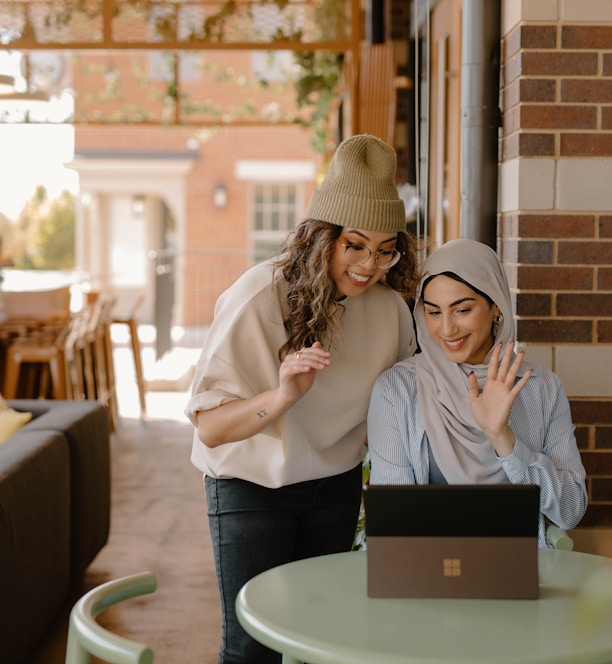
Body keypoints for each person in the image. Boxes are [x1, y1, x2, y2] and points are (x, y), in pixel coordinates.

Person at [185, 134, 419, 664]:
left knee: (320, 639)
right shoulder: (258, 297)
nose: (368, 264)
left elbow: (405, 404)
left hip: (333, 487)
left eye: (386, 250)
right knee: (252, 647)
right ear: (323, 237)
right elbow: (210, 429)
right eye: (354, 245)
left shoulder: (389, 311)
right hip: (252, 486)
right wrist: (284, 395)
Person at [367, 238, 587, 548]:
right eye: (433, 312)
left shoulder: (542, 388)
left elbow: (570, 511)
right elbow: (393, 523)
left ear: (495, 305)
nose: (446, 329)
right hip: (426, 574)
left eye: (462, 310)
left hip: (518, 574)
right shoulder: (397, 390)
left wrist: (502, 438)